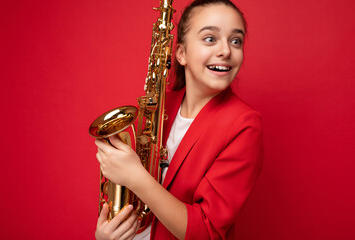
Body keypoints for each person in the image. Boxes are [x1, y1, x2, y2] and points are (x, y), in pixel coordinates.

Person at [94, 0, 263, 239]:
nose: (226, 50)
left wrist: (136, 177)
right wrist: (106, 232)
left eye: (236, 41)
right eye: (210, 39)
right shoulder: (159, 106)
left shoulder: (244, 125)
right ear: (181, 54)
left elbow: (206, 231)